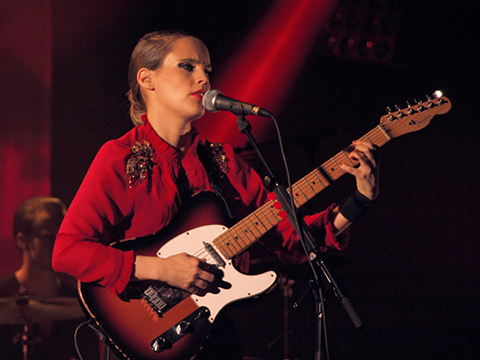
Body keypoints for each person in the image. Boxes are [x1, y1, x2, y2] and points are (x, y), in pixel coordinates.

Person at [52, 30, 379, 359]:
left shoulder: (222, 161)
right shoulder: (121, 157)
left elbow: (293, 243)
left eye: (206, 70)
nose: (203, 79)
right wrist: (161, 269)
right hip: (143, 336)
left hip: (212, 335)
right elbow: (67, 251)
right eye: (187, 67)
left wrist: (359, 201)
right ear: (147, 79)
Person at [0, 196, 91, 360]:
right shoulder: (3, 293)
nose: (59, 244)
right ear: (23, 240)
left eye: (63, 236)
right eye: (50, 236)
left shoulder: (80, 300)